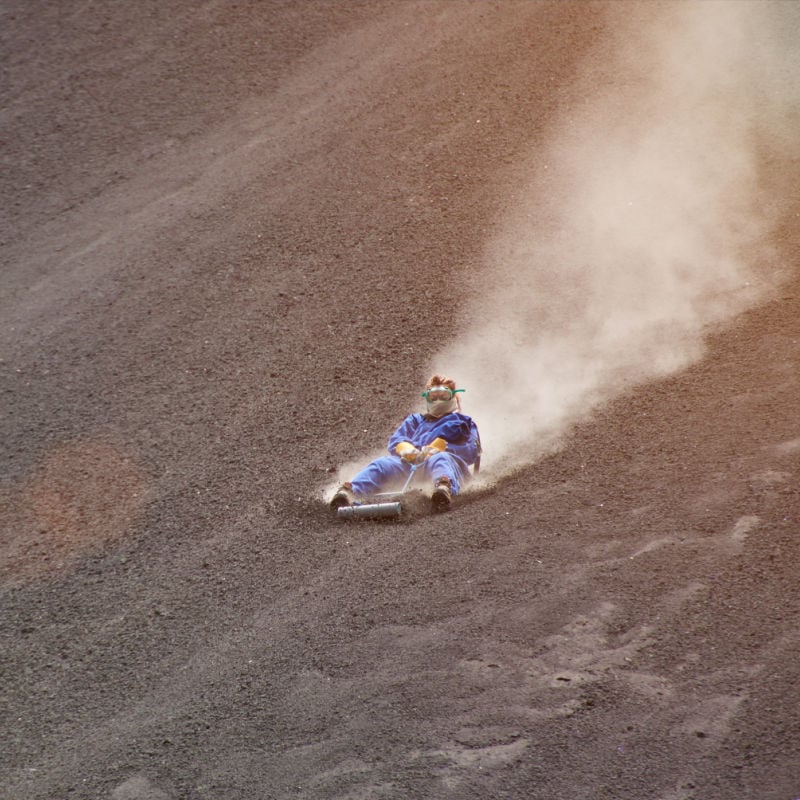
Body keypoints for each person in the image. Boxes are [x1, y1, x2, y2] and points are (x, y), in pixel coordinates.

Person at [330, 374, 481, 513]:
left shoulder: (464, 422)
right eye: (433, 397)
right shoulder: (416, 420)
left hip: (448, 466)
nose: (438, 401)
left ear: (453, 398)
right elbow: (396, 440)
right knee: (382, 463)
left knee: (440, 459)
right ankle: (350, 492)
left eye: (443, 396)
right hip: (411, 464)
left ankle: (443, 488)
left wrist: (444, 448)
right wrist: (406, 450)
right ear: (427, 399)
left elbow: (471, 450)